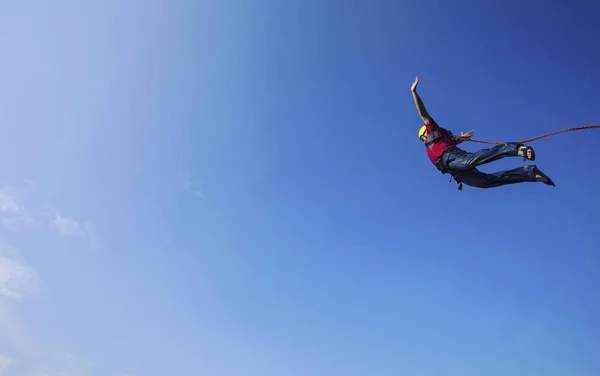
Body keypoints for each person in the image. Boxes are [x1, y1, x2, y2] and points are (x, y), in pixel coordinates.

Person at [411, 75, 555, 189]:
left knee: (469, 161)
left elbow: (423, 113)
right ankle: (530, 173)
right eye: (421, 137)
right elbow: (455, 141)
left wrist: (414, 92)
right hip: (455, 171)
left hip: (452, 157)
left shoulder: (432, 130)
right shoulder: (440, 140)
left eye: (423, 134)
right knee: (485, 182)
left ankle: (516, 149)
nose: (423, 138)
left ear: (426, 131)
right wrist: (463, 138)